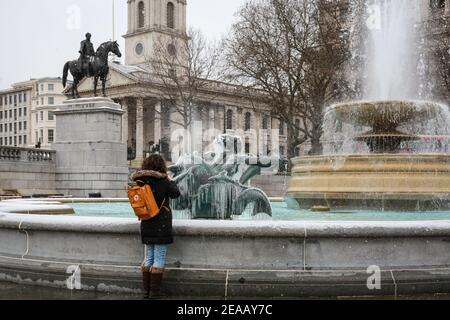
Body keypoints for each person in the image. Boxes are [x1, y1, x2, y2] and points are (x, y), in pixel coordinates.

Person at [131, 154, 180, 299]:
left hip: (146, 222)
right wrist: (170, 180)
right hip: (161, 223)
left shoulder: (139, 181)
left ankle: (146, 291)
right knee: (159, 257)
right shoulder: (163, 181)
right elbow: (176, 194)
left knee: (149, 257)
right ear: (161, 166)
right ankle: (154, 292)